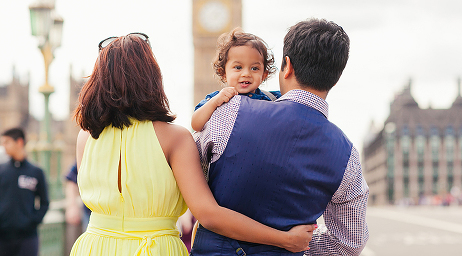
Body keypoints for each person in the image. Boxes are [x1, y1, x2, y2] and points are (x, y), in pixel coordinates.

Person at [69, 33, 315, 256]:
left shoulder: (86, 136)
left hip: (93, 248)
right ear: (152, 78)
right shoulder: (174, 138)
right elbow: (209, 215)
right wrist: (284, 239)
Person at [192, 18, 370, 256]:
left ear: (287, 66)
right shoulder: (348, 156)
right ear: (335, 79)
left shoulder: (227, 113)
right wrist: (296, 243)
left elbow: (190, 174)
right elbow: (349, 243)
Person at [191, 28, 281, 132]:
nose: (246, 74)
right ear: (223, 73)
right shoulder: (217, 99)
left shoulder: (272, 99)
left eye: (254, 68)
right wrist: (214, 102)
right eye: (238, 67)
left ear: (264, 75)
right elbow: (196, 125)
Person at [0, 128, 49, 256]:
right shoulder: (1, 170)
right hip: (3, 237)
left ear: (19, 142)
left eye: (7, 142)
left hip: (28, 238)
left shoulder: (36, 172)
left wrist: (32, 222)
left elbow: (44, 202)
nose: (3, 146)